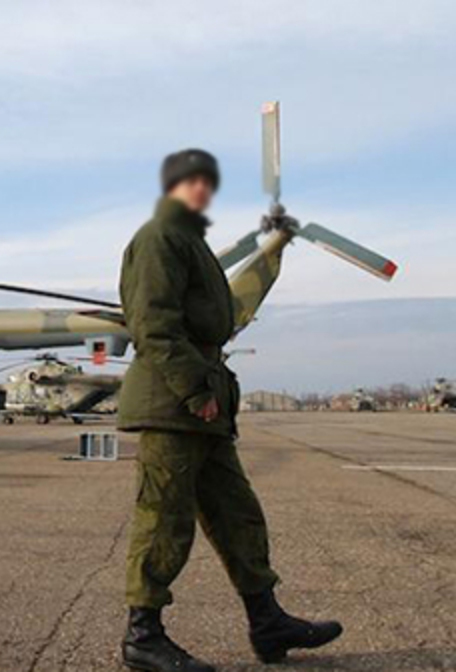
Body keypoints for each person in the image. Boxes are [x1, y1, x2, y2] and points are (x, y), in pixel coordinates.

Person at [116, 149, 342, 672]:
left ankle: (267, 621)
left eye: (207, 182)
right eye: (190, 180)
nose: (201, 189)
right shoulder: (158, 238)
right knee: (164, 520)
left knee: (239, 515)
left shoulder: (190, 242)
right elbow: (153, 327)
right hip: (174, 405)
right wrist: (196, 391)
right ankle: (142, 636)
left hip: (204, 409)